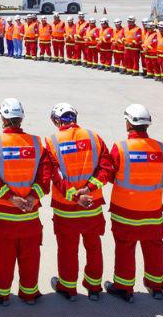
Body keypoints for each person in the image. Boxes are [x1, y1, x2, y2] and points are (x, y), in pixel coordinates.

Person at [0, 98, 52, 306]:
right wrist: (32, 197)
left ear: (3, 118)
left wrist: (11, 198)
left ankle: (2, 295)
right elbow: (45, 176)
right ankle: (29, 294)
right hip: (29, 215)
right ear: (21, 118)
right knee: (30, 255)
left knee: (2, 257)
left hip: (4, 215)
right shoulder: (37, 143)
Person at [45, 103, 114, 301]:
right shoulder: (94, 137)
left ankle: (68, 288)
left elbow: (56, 177)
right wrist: (89, 189)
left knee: (68, 249)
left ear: (57, 120)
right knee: (93, 247)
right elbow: (106, 168)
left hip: (67, 209)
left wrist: (76, 196)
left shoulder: (52, 142)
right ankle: (94, 288)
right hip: (92, 206)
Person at [105, 104, 163, 302]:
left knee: (125, 247)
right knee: (154, 247)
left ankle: (124, 287)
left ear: (128, 124)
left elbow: (110, 174)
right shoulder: (161, 148)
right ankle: (156, 285)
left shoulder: (121, 147)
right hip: (152, 209)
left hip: (125, 209)